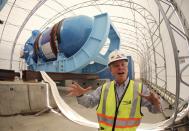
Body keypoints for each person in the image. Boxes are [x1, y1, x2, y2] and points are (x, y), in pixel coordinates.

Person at [67, 50, 162, 131]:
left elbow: (155, 111)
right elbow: (89, 102)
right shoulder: (103, 89)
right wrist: (80, 95)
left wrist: (156, 104)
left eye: (123, 64)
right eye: (116, 65)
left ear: (127, 68)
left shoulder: (140, 89)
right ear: (110, 70)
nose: (120, 67)